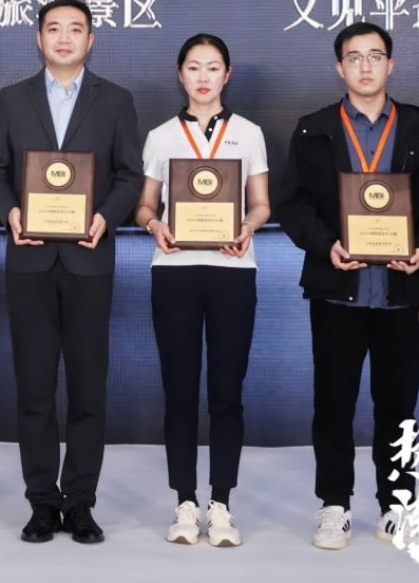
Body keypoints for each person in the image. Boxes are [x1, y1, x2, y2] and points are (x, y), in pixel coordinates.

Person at [273, 21, 419, 553]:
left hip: (402, 290)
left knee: (398, 406)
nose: (366, 66)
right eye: (354, 57)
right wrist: (325, 244)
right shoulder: (313, 129)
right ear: (340, 67)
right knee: (333, 403)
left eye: (375, 56)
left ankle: (397, 504)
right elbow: (291, 204)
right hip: (337, 289)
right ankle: (335, 505)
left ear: (391, 64)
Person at [0, 0, 142, 545]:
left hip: (88, 258)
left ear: (91, 40)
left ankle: (80, 502)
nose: (65, 38)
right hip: (29, 258)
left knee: (87, 388)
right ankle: (41, 502)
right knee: (33, 388)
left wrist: (105, 217)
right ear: (39, 38)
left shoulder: (115, 100)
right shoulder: (13, 98)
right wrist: (11, 213)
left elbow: (129, 174)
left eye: (76, 29)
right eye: (54, 29)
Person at [131, 34, 270, 548]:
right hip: (175, 270)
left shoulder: (249, 133)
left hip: (233, 270)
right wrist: (154, 226)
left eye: (213, 67)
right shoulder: (161, 136)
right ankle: (185, 502)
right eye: (194, 67)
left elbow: (261, 203)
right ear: (180, 74)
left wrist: (248, 226)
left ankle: (222, 504)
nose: (204, 77)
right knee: (180, 390)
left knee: (227, 393)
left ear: (227, 75)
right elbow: (145, 206)